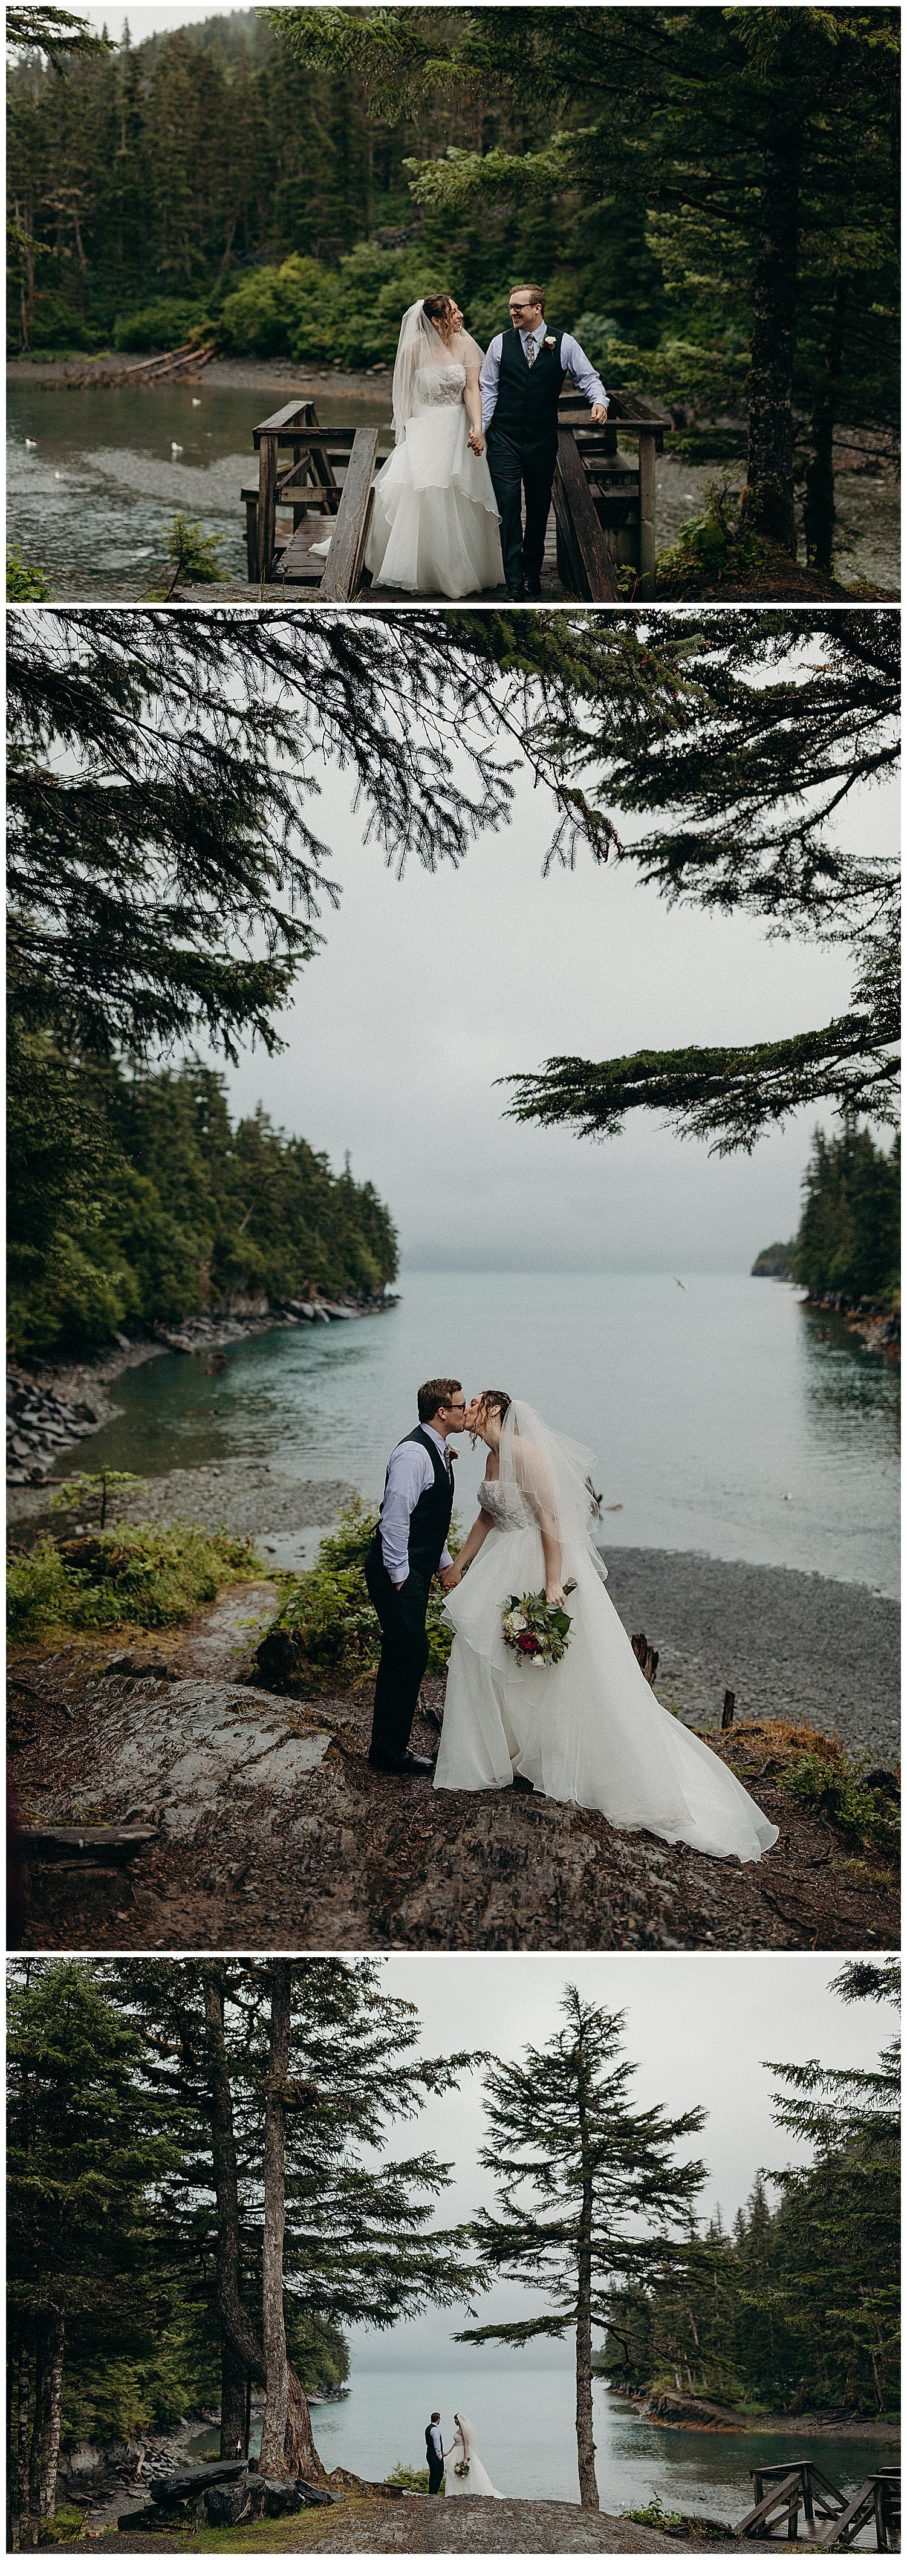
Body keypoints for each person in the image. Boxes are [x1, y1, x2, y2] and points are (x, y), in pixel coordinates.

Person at [435, 1392, 779, 1864]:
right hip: (501, 1561)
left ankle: (563, 1759)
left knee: (550, 1663)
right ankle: (505, 1752)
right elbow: (488, 1516)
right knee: (491, 1653)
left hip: (536, 1562)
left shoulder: (526, 1453)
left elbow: (550, 1518)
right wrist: (459, 1564)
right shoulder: (493, 1457)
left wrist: (553, 1581)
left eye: (476, 1402)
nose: (467, 1407)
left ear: (495, 1410)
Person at [363, 296, 504, 597]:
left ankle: (457, 571)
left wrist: (477, 428)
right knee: (422, 494)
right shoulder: (413, 347)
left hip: (456, 428)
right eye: (454, 311)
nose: (460, 314)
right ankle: (420, 568)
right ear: (437, 320)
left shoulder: (466, 344)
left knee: (457, 494)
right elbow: (402, 393)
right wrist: (406, 429)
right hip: (423, 426)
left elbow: (471, 389)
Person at [364, 1378, 467, 1775]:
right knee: (408, 1652)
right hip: (398, 1572)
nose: (464, 1411)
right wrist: (401, 1575)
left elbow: (428, 1518)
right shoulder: (413, 1454)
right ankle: (389, 1753)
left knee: (404, 1653)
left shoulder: (438, 1451)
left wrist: (442, 1562)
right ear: (442, 1412)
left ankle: (387, 1749)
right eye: (460, 1406)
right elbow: (394, 1518)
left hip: (415, 1568)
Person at [480, 283, 609, 599]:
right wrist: (480, 429)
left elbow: (588, 378)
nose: (512, 311)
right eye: (510, 306)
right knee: (508, 508)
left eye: (518, 306)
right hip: (504, 437)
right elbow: (488, 389)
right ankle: (513, 583)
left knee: (539, 509)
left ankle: (530, 575)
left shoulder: (564, 343)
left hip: (541, 439)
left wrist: (600, 402)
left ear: (537, 308)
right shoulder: (499, 343)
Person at [445, 2411, 501, 2499]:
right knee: (453, 2472)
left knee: (464, 2473)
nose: (454, 2422)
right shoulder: (458, 2430)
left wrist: (465, 2458)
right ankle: (456, 2491)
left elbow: (466, 2443)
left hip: (463, 2452)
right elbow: (456, 2442)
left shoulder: (464, 2430)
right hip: (456, 2451)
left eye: (455, 2420)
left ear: (458, 2420)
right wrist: (448, 2452)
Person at [425, 2411, 448, 2495]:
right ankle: (433, 2492)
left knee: (433, 2473)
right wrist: (440, 2455)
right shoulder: (435, 2430)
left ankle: (431, 2492)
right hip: (435, 2455)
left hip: (429, 2453)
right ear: (438, 2419)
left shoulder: (428, 2428)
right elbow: (437, 2444)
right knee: (438, 2474)